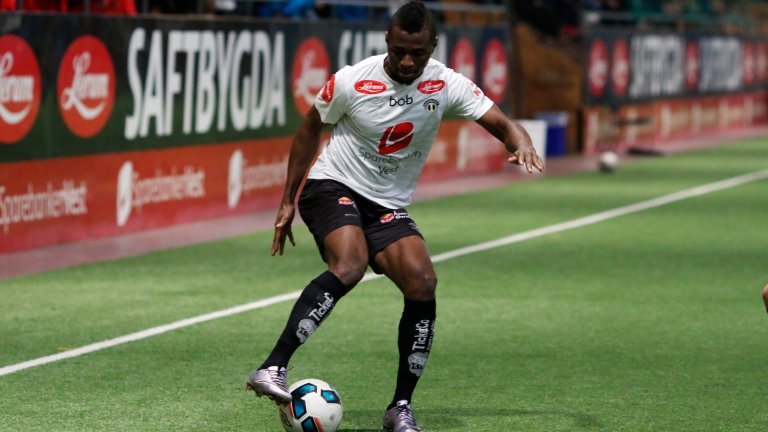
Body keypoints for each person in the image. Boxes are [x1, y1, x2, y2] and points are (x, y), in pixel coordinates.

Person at [245, 1, 544, 430]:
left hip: (385, 203)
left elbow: (500, 122)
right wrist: (288, 199)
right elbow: (309, 129)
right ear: (387, 40)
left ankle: (399, 408)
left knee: (423, 280)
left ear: (432, 47)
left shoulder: (445, 83)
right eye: (399, 50)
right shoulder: (351, 80)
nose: (407, 60)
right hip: (332, 185)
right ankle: (272, 368)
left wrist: (521, 142)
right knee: (350, 263)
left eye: (417, 53)